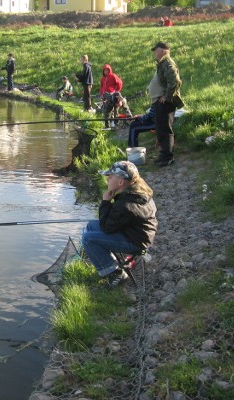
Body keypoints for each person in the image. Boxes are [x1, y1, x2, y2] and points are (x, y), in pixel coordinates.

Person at [81, 160, 158, 288]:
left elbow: (107, 227)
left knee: (88, 239)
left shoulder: (126, 204)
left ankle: (115, 273)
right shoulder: (134, 193)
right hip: (133, 232)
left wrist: (105, 202)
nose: (107, 180)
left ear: (121, 182)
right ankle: (110, 262)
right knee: (91, 226)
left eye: (110, 177)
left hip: (135, 242)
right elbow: (112, 221)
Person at [150, 41, 183, 167]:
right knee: (160, 128)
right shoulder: (162, 63)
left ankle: (168, 157)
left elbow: (175, 81)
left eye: (156, 50)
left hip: (166, 102)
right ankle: (164, 154)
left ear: (163, 50)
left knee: (165, 129)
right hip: (161, 101)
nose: (155, 52)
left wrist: (167, 96)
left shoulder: (168, 63)